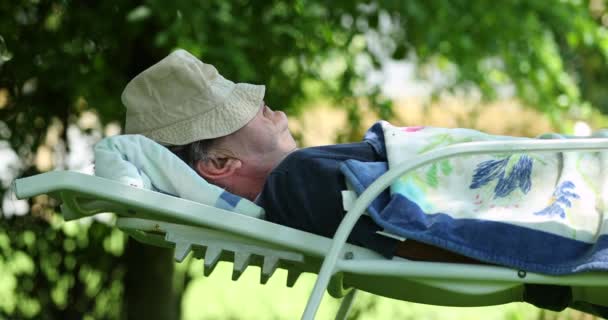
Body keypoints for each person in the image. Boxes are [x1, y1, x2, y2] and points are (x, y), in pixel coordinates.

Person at [120, 49, 498, 263]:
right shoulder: (296, 179)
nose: (273, 110)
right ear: (219, 164)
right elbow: (431, 242)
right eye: (241, 112)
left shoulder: (298, 191)